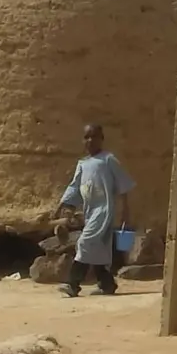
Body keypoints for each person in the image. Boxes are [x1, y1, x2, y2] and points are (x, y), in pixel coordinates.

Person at [57, 123, 136, 296]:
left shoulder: (108, 160)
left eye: (94, 136)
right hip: (90, 212)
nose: (90, 140)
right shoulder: (83, 164)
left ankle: (73, 284)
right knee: (98, 250)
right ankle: (107, 284)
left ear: (101, 139)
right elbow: (74, 187)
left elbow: (123, 185)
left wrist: (125, 211)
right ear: (82, 140)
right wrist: (65, 206)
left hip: (104, 211)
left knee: (85, 243)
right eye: (87, 137)